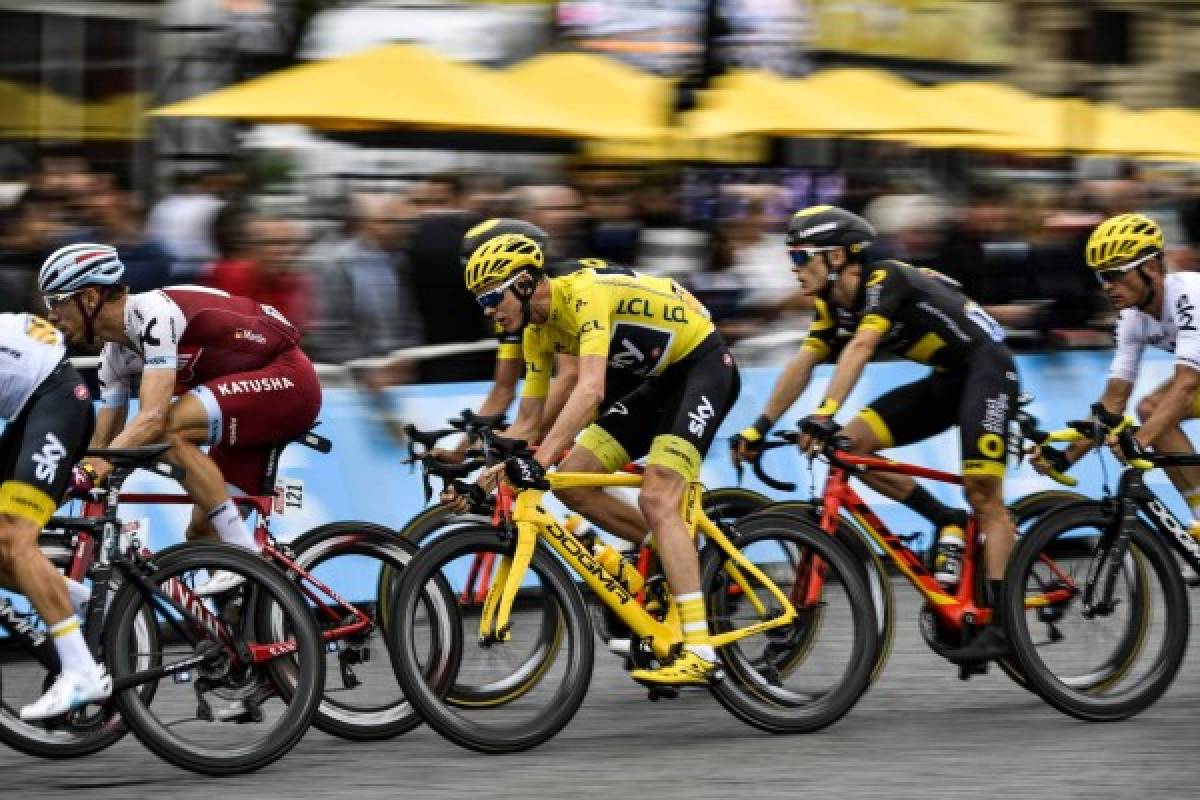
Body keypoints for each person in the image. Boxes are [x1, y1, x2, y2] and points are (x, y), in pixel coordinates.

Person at [731, 205, 1020, 663]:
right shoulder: (831, 303)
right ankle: (943, 517)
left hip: (988, 370)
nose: (794, 267)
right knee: (851, 448)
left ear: (839, 256)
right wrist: (759, 424)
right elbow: (804, 362)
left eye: (802, 256)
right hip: (947, 379)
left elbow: (863, 346)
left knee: (984, 494)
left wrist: (825, 413)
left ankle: (1005, 624)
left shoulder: (885, 279)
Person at [453, 231, 741, 685]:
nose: (488, 311)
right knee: (577, 482)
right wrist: (486, 476)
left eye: (492, 297)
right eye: (480, 302)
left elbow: (590, 390)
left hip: (703, 367)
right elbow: (528, 422)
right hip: (659, 382)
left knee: (659, 494)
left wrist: (538, 462)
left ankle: (702, 652)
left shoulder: (583, 294)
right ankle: (673, 555)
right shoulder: (535, 330)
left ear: (525, 283)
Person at [38, 243, 321, 595]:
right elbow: (103, 449)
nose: (51, 315)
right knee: (203, 537)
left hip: (290, 379)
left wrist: (91, 472)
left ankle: (246, 554)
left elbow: (153, 419)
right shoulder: (114, 358)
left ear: (91, 297)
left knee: (168, 429)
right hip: (245, 408)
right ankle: (244, 633)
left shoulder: (154, 313)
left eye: (57, 301)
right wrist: (50, 494)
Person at [1033, 213, 1200, 543]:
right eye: (1101, 277)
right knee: (1150, 409)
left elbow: (1186, 385)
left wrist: (1139, 442)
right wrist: (1065, 457)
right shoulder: (1133, 320)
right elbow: (1113, 403)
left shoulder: (1188, 296)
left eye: (1115, 275)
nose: (1108, 286)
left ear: (1150, 268)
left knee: (1154, 414)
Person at [0, 311, 110, 719]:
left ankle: (81, 670)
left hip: (57, 401)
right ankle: (78, 598)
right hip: (30, 408)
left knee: (15, 539)